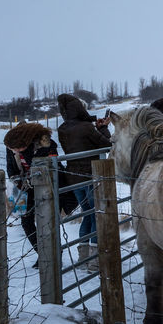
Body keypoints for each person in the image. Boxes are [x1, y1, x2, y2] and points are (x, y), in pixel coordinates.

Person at [56, 94, 111, 268]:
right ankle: (95, 260)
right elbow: (106, 145)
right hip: (90, 174)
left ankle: (83, 258)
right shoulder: (86, 127)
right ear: (79, 108)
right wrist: (102, 129)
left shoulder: (62, 128)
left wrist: (93, 125)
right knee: (96, 214)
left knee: (87, 214)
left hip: (73, 177)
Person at [4, 122, 59, 263]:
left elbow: (46, 167)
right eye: (11, 148)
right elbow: (11, 168)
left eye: (16, 148)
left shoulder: (45, 144)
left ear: (25, 142)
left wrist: (25, 154)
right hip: (23, 189)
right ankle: (41, 252)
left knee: (46, 220)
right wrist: (16, 180)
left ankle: (52, 252)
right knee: (26, 221)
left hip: (45, 187)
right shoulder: (11, 147)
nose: (13, 151)